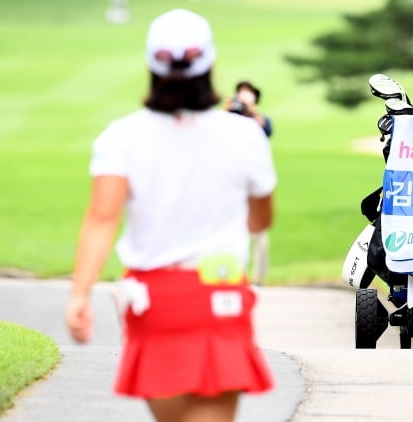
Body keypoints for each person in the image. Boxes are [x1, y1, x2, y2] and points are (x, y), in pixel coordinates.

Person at [65, 8, 276, 422]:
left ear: (150, 64)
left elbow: (101, 218)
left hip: (153, 301)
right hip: (219, 295)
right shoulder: (244, 135)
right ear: (210, 63)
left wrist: (79, 293)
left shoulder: (120, 136)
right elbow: (260, 221)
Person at [224, 81, 273, 285]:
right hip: (230, 182)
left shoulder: (258, 121)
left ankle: (258, 276)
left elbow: (266, 130)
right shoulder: (225, 118)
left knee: (259, 234)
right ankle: (236, 274)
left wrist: (251, 112)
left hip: (252, 183)